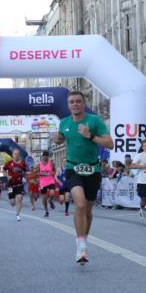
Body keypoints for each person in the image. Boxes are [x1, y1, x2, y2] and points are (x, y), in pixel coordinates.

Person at [54, 90, 114, 264]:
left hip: (92, 170)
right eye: (72, 102)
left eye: (78, 101)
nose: (75, 104)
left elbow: (110, 143)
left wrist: (91, 136)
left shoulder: (94, 121)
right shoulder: (64, 123)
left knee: (87, 210)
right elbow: (60, 140)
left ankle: (83, 239)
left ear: (84, 103)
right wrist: (56, 139)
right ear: (68, 105)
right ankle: (80, 245)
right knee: (79, 204)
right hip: (73, 167)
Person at [5, 148, 28, 222]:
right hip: (11, 185)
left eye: (17, 154)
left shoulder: (22, 163)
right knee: (12, 203)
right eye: (15, 154)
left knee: (20, 198)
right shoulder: (9, 163)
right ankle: (13, 203)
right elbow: (3, 169)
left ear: (19, 155)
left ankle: (18, 214)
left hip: (19, 184)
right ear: (12, 155)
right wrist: (7, 176)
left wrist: (25, 178)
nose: (16, 155)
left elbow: (26, 172)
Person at [37, 151, 58, 218]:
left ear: (48, 156)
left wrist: (53, 172)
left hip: (50, 181)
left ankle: (51, 201)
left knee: (52, 193)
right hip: (43, 182)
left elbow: (55, 170)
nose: (45, 157)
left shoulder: (51, 163)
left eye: (47, 156)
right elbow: (36, 172)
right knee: (44, 198)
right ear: (42, 156)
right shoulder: (39, 164)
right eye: (44, 156)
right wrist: (41, 173)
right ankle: (46, 211)